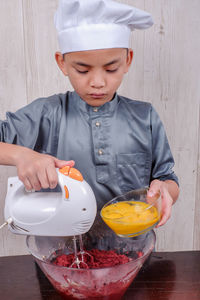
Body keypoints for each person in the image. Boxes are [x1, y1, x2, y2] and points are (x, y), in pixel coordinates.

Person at [0, 0, 179, 227]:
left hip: (132, 251)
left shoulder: (145, 117)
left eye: (111, 69)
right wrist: (21, 155)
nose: (97, 82)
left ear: (127, 61)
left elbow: (167, 178)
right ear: (62, 63)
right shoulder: (46, 114)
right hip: (60, 252)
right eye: (82, 70)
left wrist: (166, 191)